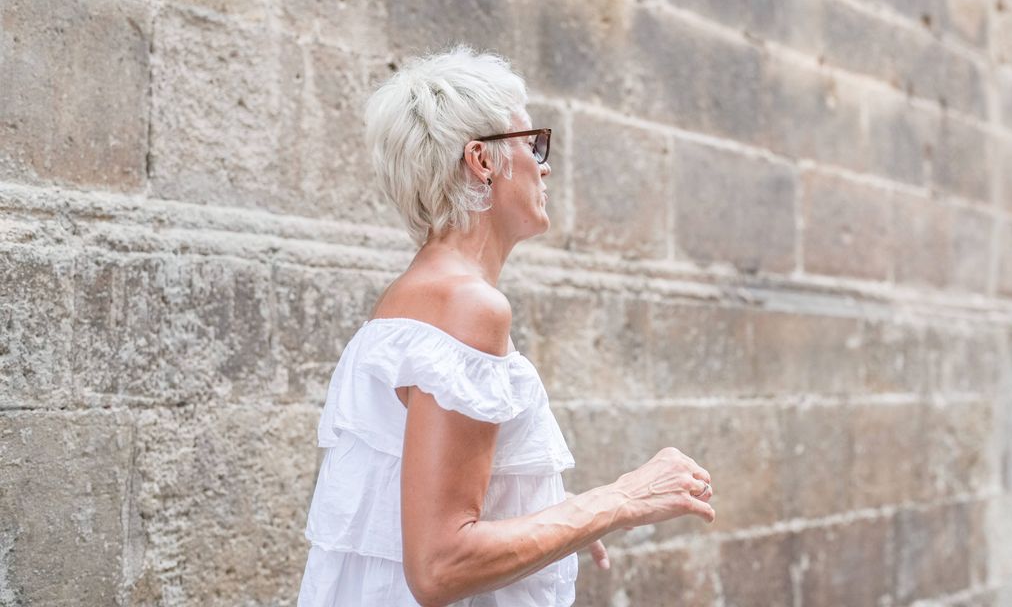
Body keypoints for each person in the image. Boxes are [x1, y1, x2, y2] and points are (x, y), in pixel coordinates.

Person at [297, 45, 716, 606]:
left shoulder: (412, 295)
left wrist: (553, 517)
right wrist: (622, 499)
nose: (544, 165)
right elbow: (440, 565)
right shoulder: (466, 306)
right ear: (482, 160)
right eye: (532, 144)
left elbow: (429, 502)